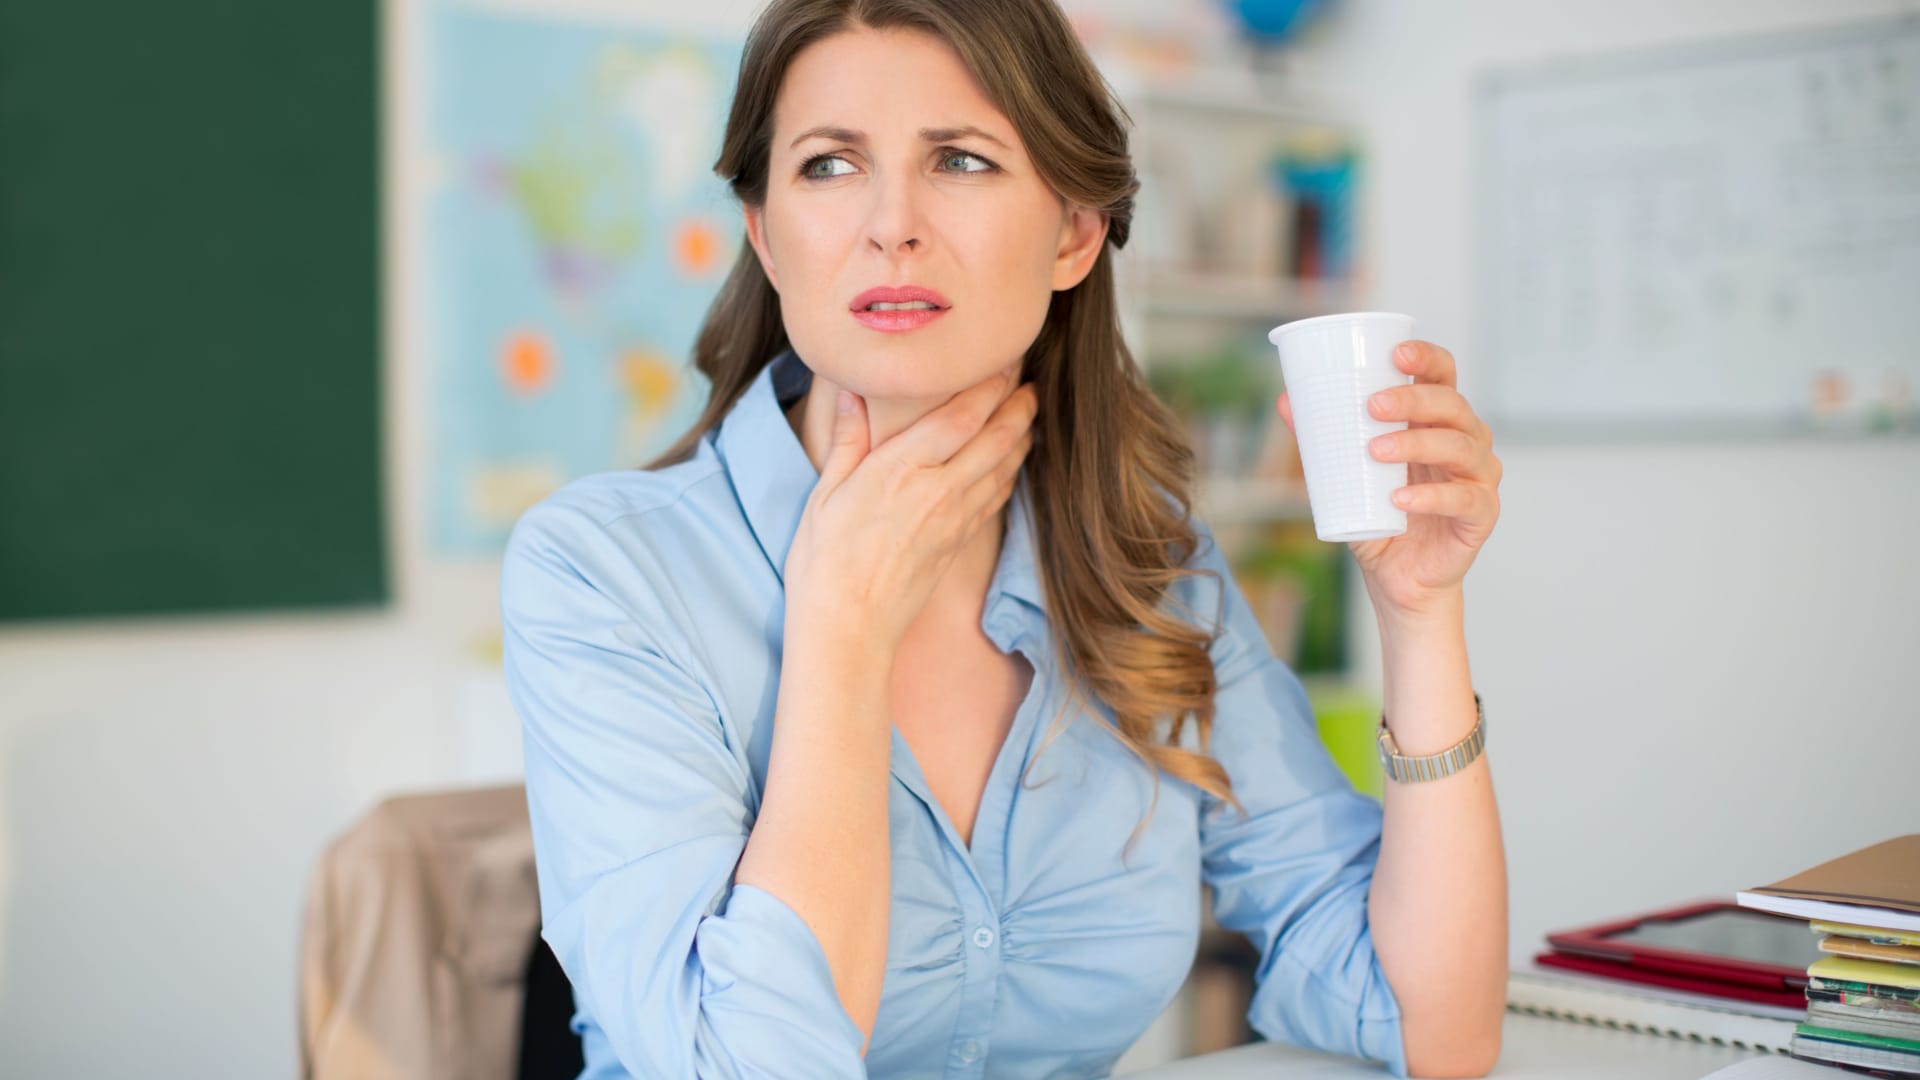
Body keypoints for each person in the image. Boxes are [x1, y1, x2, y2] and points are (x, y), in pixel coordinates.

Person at [499, 0, 1508, 1075]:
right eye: (830, 166)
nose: (891, 223)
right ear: (765, 234)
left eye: (964, 160)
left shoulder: (1149, 569)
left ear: (1074, 232)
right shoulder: (602, 571)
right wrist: (842, 629)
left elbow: (1431, 1025)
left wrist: (1419, 615)